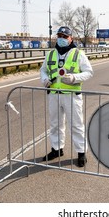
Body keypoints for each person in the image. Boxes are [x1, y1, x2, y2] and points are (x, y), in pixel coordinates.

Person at [40, 26, 93, 167]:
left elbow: (89, 72)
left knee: (76, 125)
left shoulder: (78, 54)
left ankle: (81, 153)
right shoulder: (51, 54)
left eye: (64, 36)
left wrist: (74, 78)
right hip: (54, 95)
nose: (61, 39)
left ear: (71, 39)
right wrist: (44, 79)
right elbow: (43, 70)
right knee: (55, 124)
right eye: (59, 36)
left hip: (71, 95)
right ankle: (56, 149)